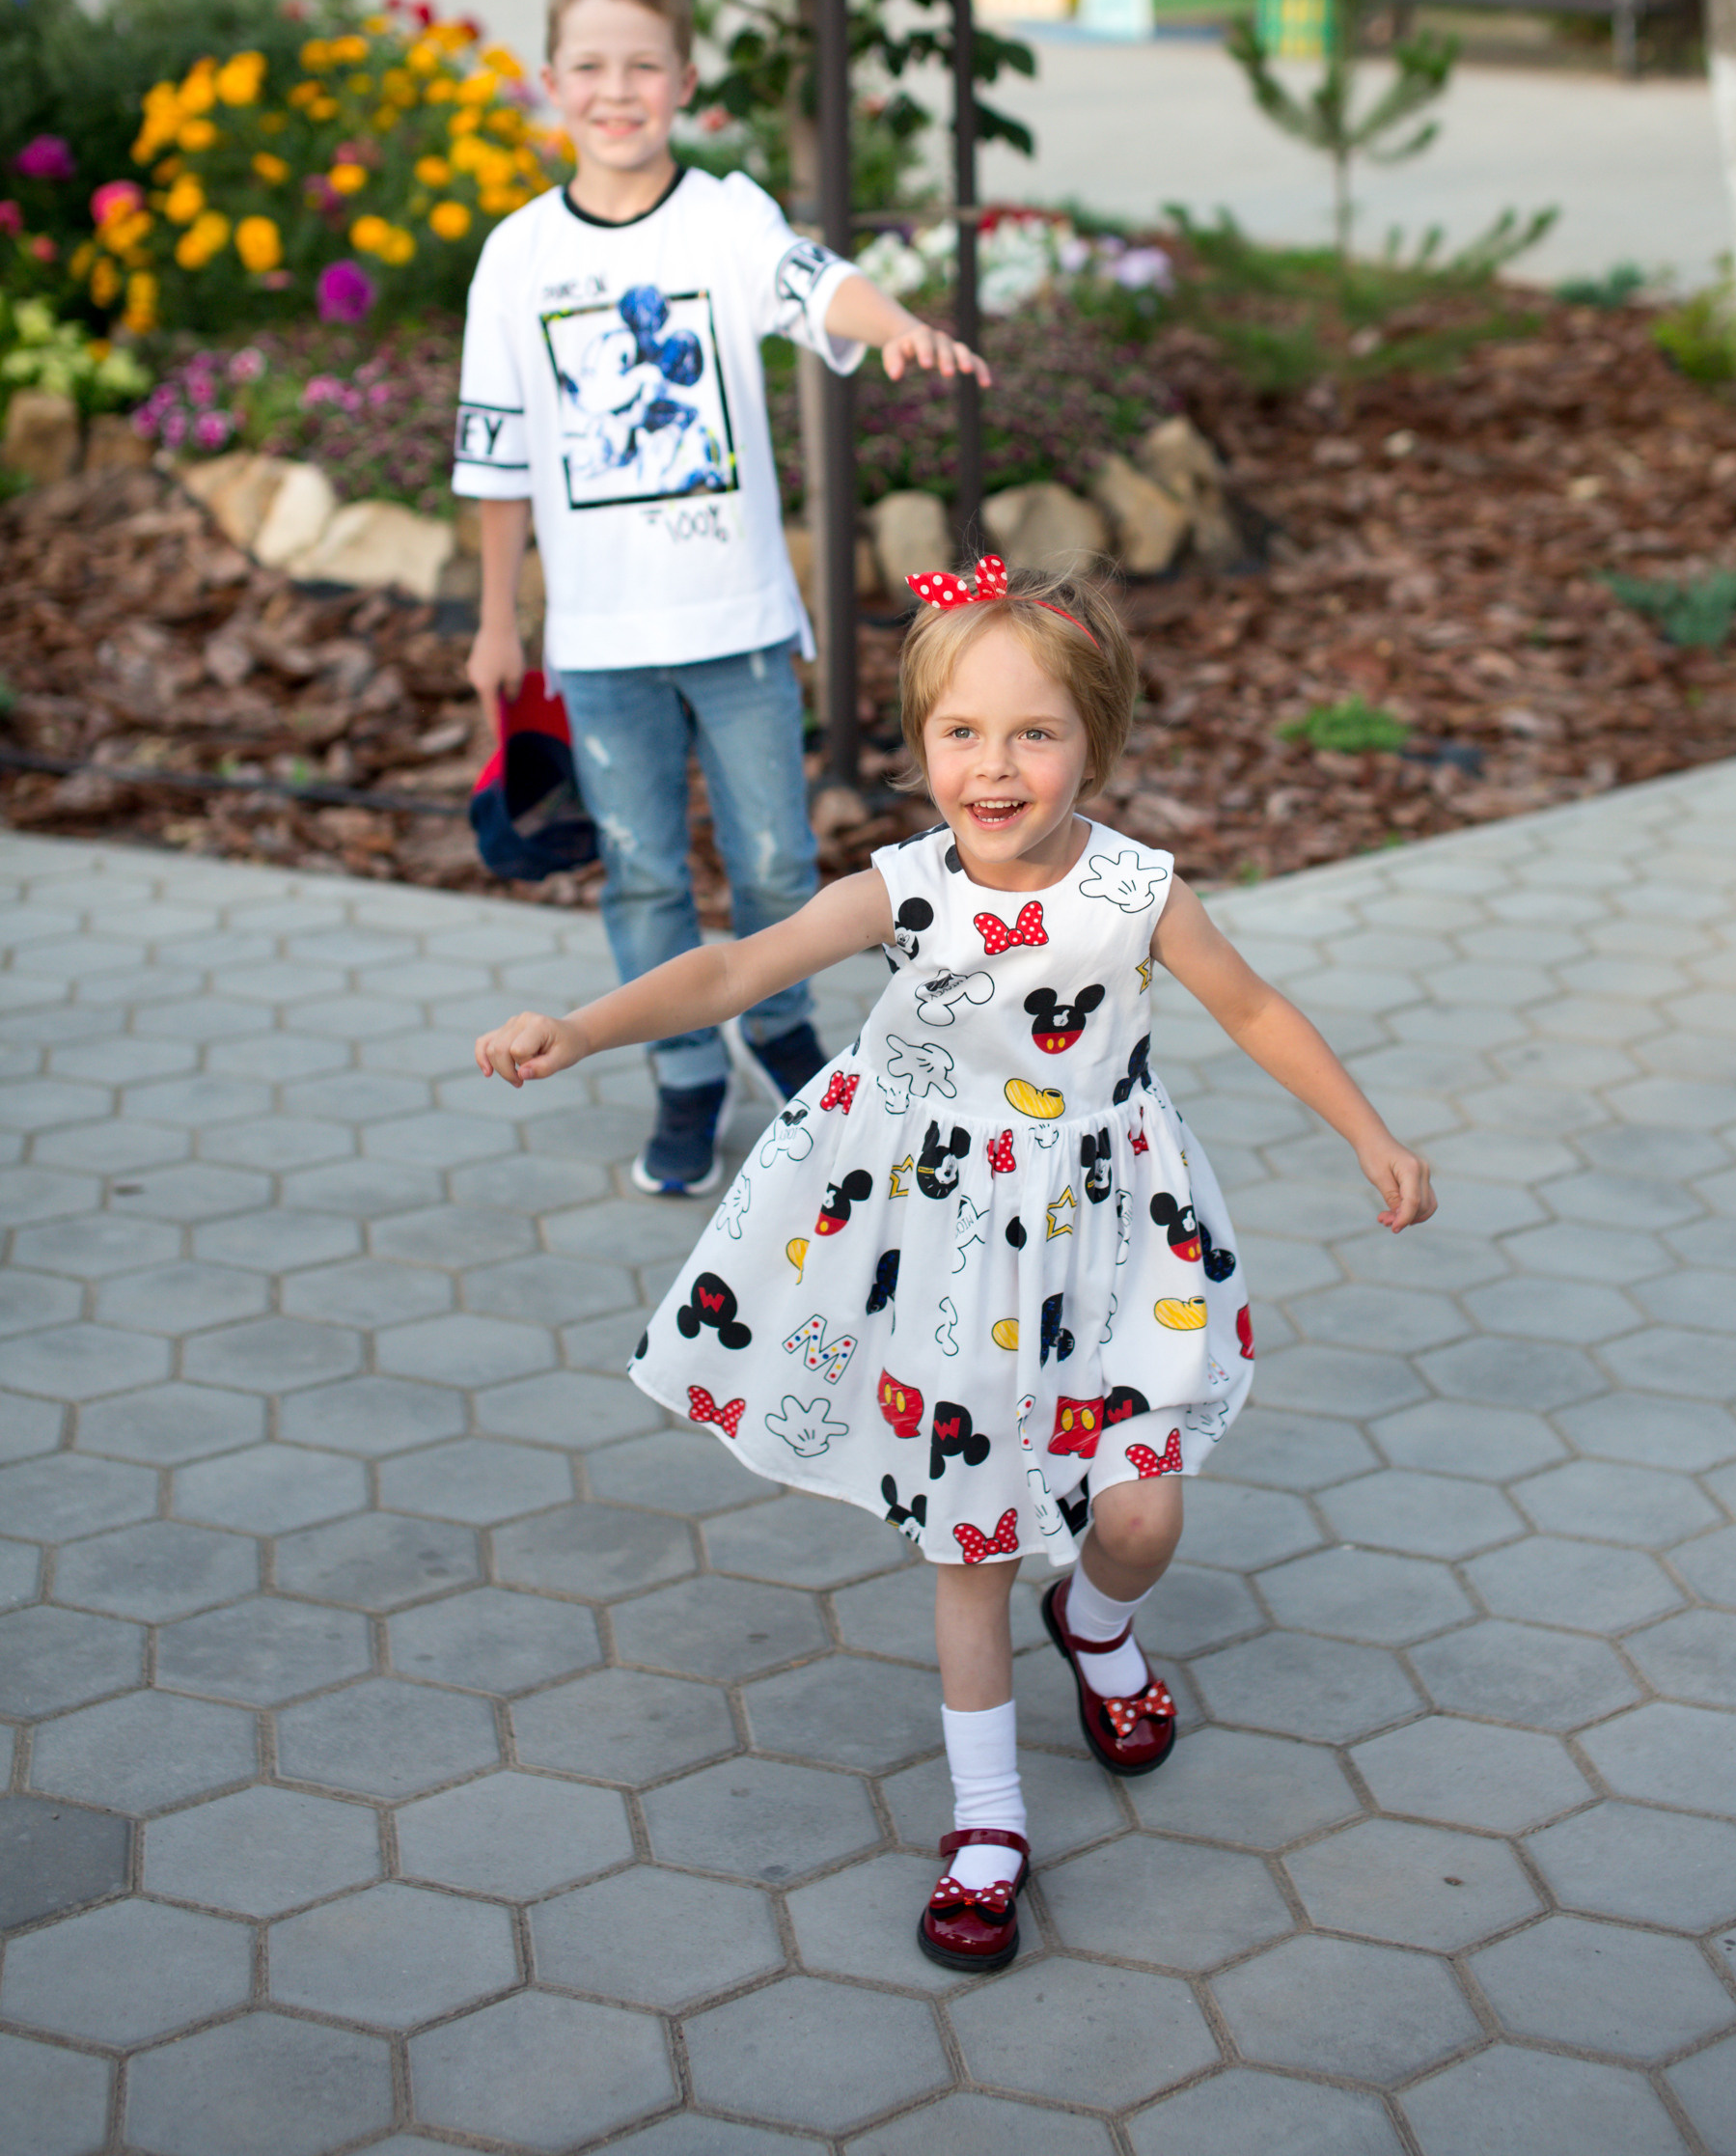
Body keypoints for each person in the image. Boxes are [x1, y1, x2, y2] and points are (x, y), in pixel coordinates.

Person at [475, 557, 1437, 1973]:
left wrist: (1369, 1132)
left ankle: (1098, 1627)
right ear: (920, 746)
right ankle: (987, 1821)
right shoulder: (906, 889)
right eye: (960, 734)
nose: (995, 768)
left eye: (1035, 733)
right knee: (968, 1539)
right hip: (943, 1255)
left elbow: (1255, 1006)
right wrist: (586, 1023)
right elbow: (737, 968)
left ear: (1094, 744)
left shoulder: (1136, 891)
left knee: (1143, 1517)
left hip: (1108, 1242)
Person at [455, 0, 990, 1196]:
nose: (617, 88)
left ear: (685, 79)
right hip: (597, 643)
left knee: (775, 864)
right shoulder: (517, 257)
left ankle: (784, 1030)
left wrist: (899, 326)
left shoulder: (726, 219)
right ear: (549, 83)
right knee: (643, 865)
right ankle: (685, 1074)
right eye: (589, 65)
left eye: (644, 64)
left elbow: (821, 287)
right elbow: (499, 458)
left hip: (742, 627)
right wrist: (497, 621)